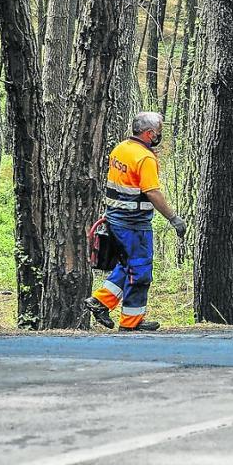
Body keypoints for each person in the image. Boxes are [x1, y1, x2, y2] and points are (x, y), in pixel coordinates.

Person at [83, 112, 187, 332]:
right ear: (149, 134)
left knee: (127, 265)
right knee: (140, 271)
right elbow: (153, 193)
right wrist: (173, 218)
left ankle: (101, 303)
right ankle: (130, 323)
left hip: (114, 218)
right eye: (158, 132)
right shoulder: (145, 158)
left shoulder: (120, 149)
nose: (159, 136)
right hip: (134, 224)